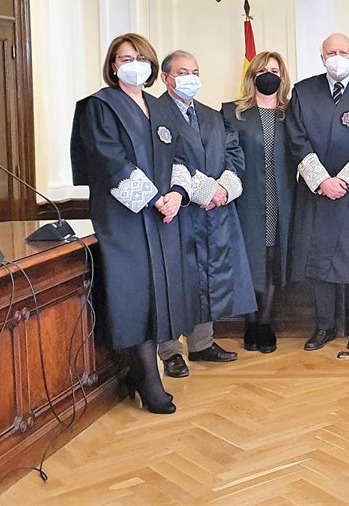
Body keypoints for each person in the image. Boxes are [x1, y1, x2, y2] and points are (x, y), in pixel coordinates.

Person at [71, 33, 194, 414]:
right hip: (124, 218)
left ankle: (139, 372)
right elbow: (109, 161)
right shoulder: (100, 106)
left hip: (162, 217)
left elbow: (180, 157)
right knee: (135, 295)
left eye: (141, 58)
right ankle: (146, 378)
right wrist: (155, 198)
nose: (134, 65)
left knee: (159, 294)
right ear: (113, 65)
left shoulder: (159, 107)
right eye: (126, 59)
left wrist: (177, 193)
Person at [153, 50, 256, 377]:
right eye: (183, 72)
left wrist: (223, 189)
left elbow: (234, 154)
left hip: (214, 213)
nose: (191, 78)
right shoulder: (154, 113)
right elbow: (163, 162)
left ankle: (202, 343)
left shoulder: (212, 115)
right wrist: (204, 191)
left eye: (195, 71)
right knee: (175, 280)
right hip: (176, 211)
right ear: (166, 78)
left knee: (207, 276)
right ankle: (171, 351)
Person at [287, 33, 349, 352]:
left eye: (343, 52)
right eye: (331, 52)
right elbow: (297, 140)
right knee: (320, 260)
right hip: (317, 190)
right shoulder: (303, 92)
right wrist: (322, 181)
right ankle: (324, 326)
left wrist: (343, 181)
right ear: (322, 57)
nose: (337, 57)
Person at [222, 51, 295, 354]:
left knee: (272, 258)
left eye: (275, 71)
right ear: (252, 76)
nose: (269, 75)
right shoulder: (233, 113)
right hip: (247, 197)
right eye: (263, 70)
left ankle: (265, 323)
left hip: (282, 197)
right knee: (248, 258)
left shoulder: (291, 114)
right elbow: (225, 155)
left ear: (282, 76)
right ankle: (250, 323)